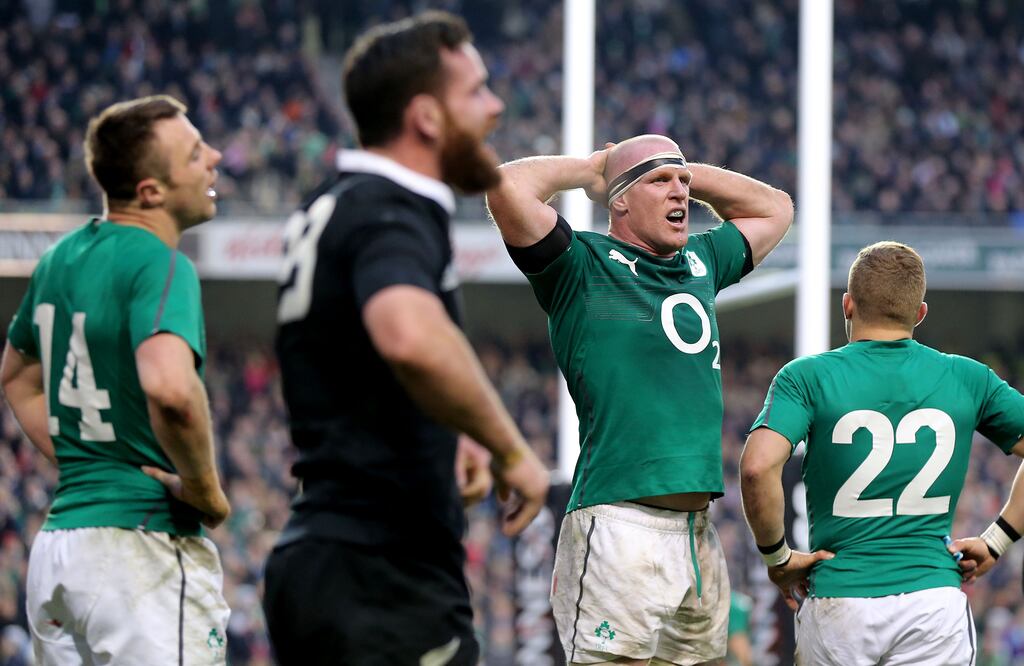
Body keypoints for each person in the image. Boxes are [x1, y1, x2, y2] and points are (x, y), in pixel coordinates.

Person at [262, 11, 550, 666]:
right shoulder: (393, 205)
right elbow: (408, 335)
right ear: (425, 117)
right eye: (475, 91)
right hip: (383, 572)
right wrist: (511, 450)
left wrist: (454, 429)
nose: (495, 107)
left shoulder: (334, 202)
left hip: (325, 556)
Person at [486, 134, 793, 665]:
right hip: (618, 522)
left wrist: (677, 169)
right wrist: (594, 169)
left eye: (683, 185)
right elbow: (506, 185)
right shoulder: (581, 266)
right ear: (619, 201)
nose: (680, 194)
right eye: (659, 182)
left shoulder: (700, 262)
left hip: (697, 531)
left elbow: (775, 209)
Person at [0, 94, 231, 664]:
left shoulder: (59, 259)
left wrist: (84, 460)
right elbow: (171, 390)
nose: (216, 158)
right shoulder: (161, 262)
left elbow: (15, 375)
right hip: (141, 549)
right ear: (151, 192)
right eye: (196, 152)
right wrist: (206, 491)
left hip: (59, 551)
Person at [740, 241, 1024, 665]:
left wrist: (777, 557)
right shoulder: (966, 378)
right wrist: (998, 539)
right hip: (933, 601)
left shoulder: (807, 377)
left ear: (847, 305)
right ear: (920, 313)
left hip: (840, 601)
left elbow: (757, 467)